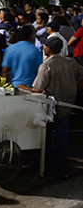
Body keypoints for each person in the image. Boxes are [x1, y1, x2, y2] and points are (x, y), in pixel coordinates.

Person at [18, 37, 83, 176]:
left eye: (45, 46)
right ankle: (61, 165)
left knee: (47, 136)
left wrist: (23, 87)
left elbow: (38, 89)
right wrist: (76, 88)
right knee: (62, 136)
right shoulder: (71, 62)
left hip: (51, 107)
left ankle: (48, 166)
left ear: (50, 49)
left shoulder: (47, 66)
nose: (44, 48)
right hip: (68, 104)